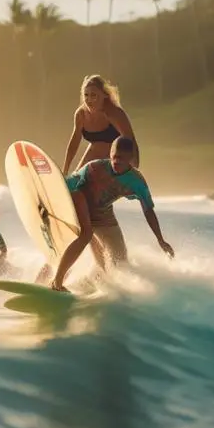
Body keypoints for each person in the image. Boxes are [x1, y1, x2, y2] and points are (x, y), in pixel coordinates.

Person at [49, 136, 174, 292]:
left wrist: (160, 239)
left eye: (121, 159)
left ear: (131, 159)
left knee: (119, 262)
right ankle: (57, 282)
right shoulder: (94, 167)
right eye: (114, 157)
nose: (116, 161)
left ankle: (87, 287)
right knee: (86, 234)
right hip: (81, 203)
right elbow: (67, 186)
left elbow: (148, 210)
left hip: (103, 215)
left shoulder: (136, 181)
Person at [61, 74, 140, 273]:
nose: (89, 99)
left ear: (104, 96)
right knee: (74, 194)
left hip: (111, 161)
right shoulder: (81, 114)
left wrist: (133, 171)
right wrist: (65, 170)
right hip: (93, 154)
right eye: (86, 95)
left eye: (94, 95)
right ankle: (99, 262)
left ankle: (106, 261)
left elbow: (130, 140)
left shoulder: (114, 113)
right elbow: (74, 143)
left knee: (92, 205)